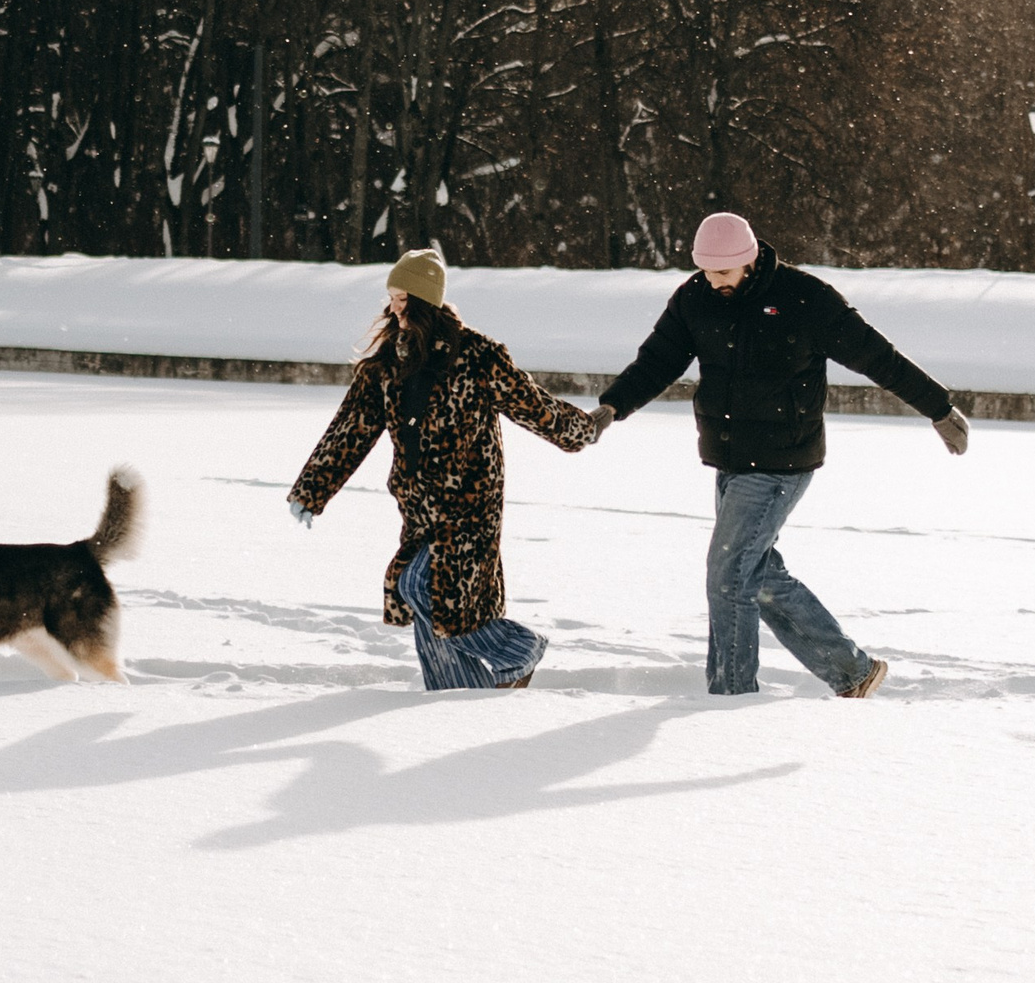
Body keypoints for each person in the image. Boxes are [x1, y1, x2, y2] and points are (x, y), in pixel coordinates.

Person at [588, 211, 971, 699]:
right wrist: (613, 405)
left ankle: (731, 694)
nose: (714, 281)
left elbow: (877, 355)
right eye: (706, 271)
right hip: (727, 456)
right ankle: (852, 671)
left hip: (782, 460)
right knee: (757, 574)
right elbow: (657, 361)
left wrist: (938, 408)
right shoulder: (695, 298)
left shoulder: (803, 298)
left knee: (728, 576)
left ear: (749, 261)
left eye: (723, 273)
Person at [288, 248, 597, 690]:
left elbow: (534, 407)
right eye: (390, 297)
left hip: (469, 507)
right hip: (419, 511)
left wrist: (582, 429)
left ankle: (519, 650)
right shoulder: (386, 363)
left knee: (422, 587)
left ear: (424, 298)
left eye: (401, 297)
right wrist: (312, 490)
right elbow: (351, 428)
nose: (393, 307)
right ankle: (456, 698)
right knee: (440, 612)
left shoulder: (476, 355)